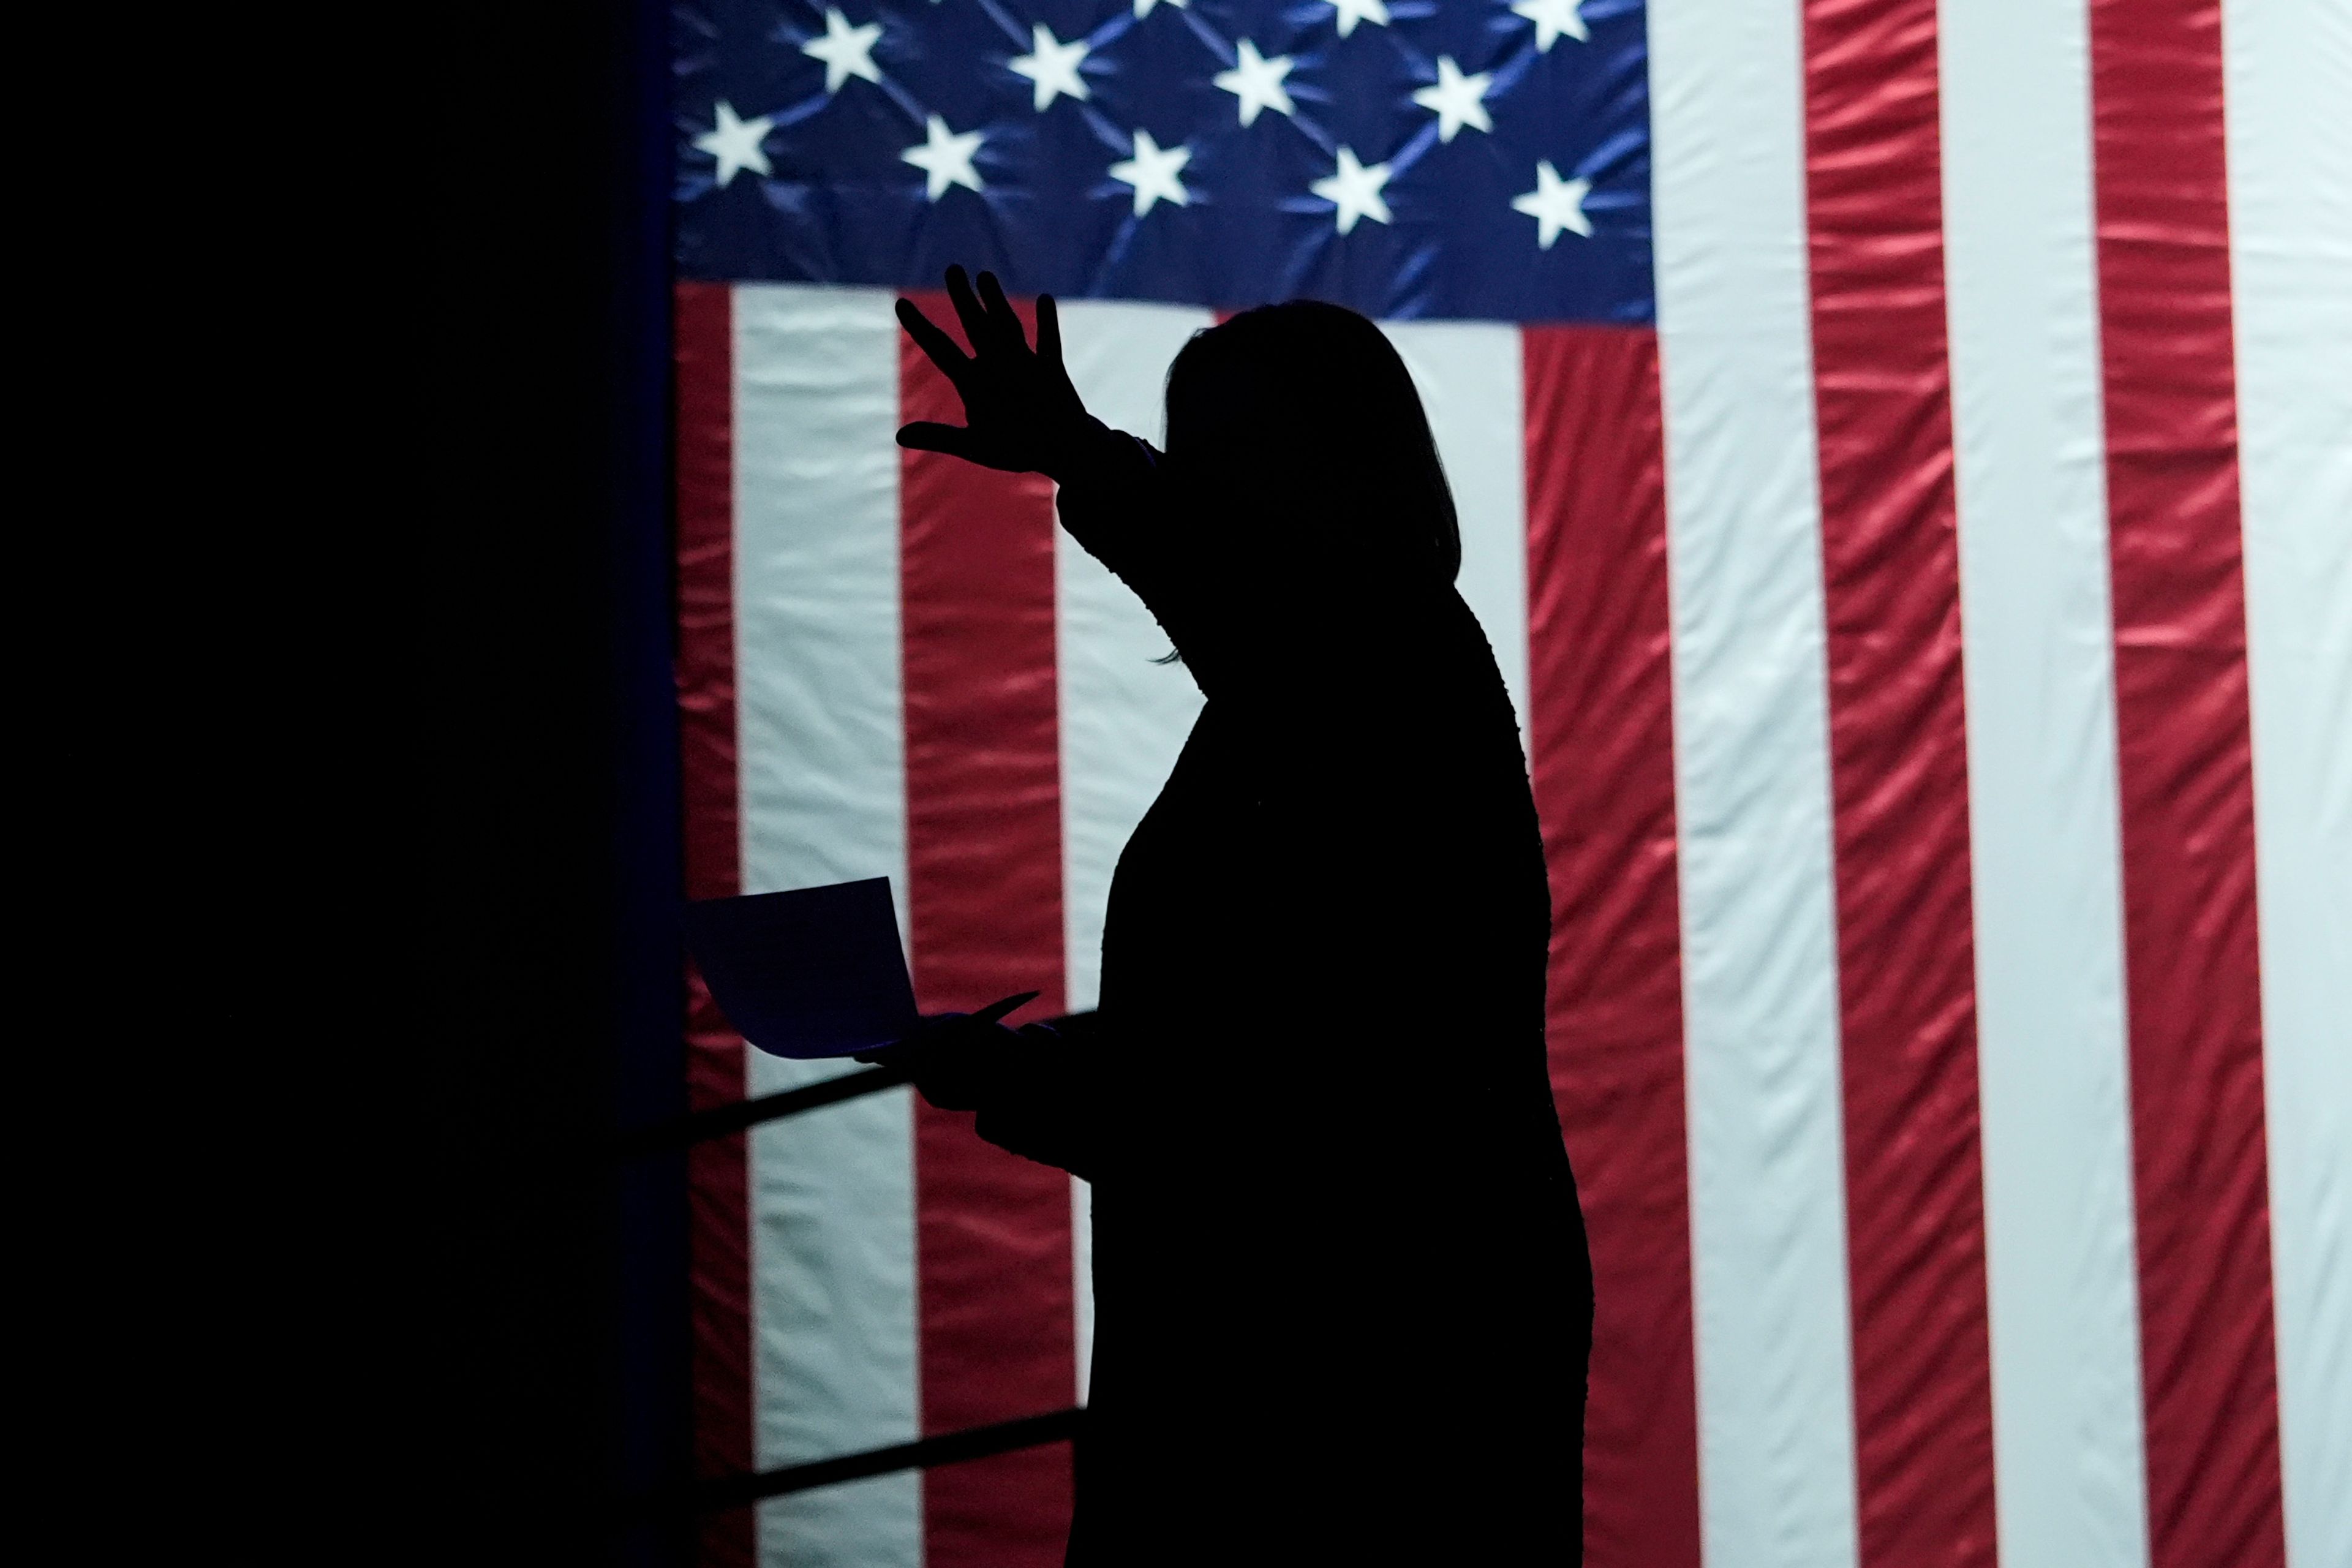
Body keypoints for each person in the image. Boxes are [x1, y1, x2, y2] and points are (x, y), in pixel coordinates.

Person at [878, 266, 1593, 1564]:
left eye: (1241, 453)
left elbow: (1302, 1091)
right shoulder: (1302, 709)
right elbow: (1247, 1038)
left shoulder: (1391, 658)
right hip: (1300, 1354)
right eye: (1194, 454)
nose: (1206, 487)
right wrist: (1017, 1067)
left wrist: (1077, 457)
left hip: (1374, 1375)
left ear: (1351, 473)